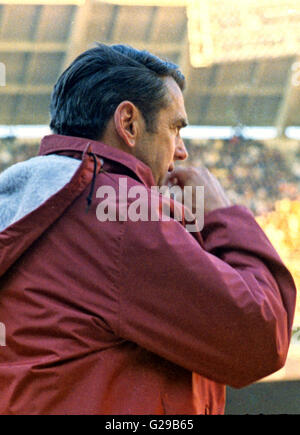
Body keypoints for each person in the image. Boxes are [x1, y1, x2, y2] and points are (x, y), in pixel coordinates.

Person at [0, 43, 296, 415]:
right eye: (175, 127)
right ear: (129, 124)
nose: (182, 151)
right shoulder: (117, 212)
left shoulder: (29, 197)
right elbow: (261, 337)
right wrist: (223, 214)